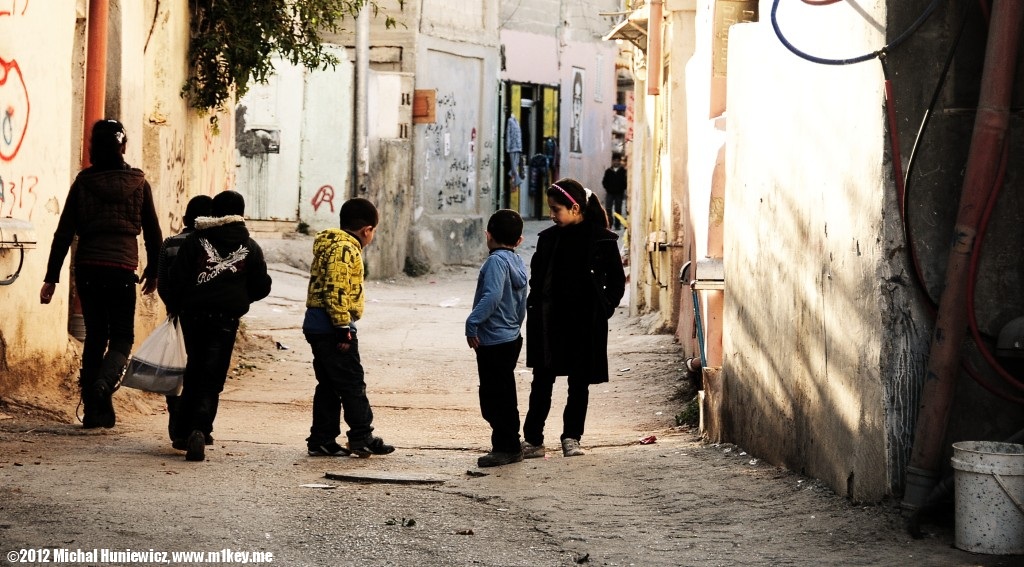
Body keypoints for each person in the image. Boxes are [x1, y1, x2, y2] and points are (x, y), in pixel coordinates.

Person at [40, 119, 162, 429]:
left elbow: (64, 233)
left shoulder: (83, 183)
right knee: (122, 337)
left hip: (89, 268)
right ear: (123, 147)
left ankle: (95, 410)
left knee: (95, 336)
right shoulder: (139, 184)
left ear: (94, 149)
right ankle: (104, 385)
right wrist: (155, 269)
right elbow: (152, 231)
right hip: (122, 270)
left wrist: (51, 277)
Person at [163, 190, 272, 461]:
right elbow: (262, 286)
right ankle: (201, 429)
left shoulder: (196, 241)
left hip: (193, 316)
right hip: (226, 319)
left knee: (193, 372)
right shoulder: (251, 247)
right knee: (212, 378)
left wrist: (178, 305)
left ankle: (182, 432)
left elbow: (176, 278)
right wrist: (240, 297)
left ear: (213, 213)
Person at [522, 178, 626, 458]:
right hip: (549, 322)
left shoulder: (602, 239)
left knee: (578, 383)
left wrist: (606, 307)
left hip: (585, 324)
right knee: (541, 382)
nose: (552, 215)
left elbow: (617, 280)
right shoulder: (547, 239)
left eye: (556, 209)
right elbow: (537, 279)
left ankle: (572, 438)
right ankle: (532, 440)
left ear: (576, 207)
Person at [302, 198, 395, 458]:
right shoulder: (345, 249)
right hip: (332, 326)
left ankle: (322, 439)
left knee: (329, 385)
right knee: (352, 383)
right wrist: (343, 327)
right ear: (367, 230)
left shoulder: (333, 244)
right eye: (373, 232)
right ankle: (361, 437)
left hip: (319, 324)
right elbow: (336, 288)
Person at [466, 209, 528, 468]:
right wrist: (515, 326)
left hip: (493, 340)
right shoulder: (517, 262)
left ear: (488, 235)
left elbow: (490, 296)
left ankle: (506, 447)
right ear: (519, 240)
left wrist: (472, 322)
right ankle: (510, 442)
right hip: (511, 337)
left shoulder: (495, 262)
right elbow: (522, 302)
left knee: (493, 397)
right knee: (505, 392)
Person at [156, 195, 214, 443]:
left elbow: (163, 282)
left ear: (185, 218)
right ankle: (197, 426)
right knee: (202, 370)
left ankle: (176, 414)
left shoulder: (171, 243)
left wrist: (172, 306)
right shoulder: (213, 246)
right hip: (207, 316)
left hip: (179, 314)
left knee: (177, 367)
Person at [602, 154, 627, 230]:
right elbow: (604, 182)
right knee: (608, 209)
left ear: (619, 161)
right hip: (610, 193)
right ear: (612, 161)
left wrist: (621, 189)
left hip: (619, 194)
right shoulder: (608, 171)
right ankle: (609, 225)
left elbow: (625, 182)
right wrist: (608, 189)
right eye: (615, 160)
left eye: (617, 161)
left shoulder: (623, 171)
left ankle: (617, 225)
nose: (616, 162)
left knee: (618, 209)